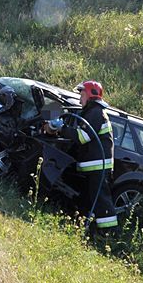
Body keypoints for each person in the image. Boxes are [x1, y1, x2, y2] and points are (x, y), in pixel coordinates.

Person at [44, 80, 118, 234]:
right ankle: (87, 230)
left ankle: (110, 235)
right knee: (88, 199)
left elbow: (83, 137)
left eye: (82, 94)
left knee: (101, 201)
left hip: (99, 166)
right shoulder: (90, 112)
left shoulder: (96, 112)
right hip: (93, 166)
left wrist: (62, 128)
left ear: (91, 94)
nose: (79, 98)